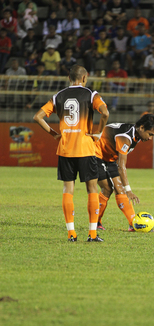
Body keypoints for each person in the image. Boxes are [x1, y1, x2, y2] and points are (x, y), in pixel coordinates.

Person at [33, 64, 109, 242]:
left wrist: (54, 134)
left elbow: (37, 117)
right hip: (85, 148)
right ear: (85, 77)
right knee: (92, 189)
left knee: (68, 189)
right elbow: (105, 113)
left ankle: (71, 233)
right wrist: (99, 132)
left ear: (69, 78)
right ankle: (92, 233)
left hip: (66, 149)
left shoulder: (58, 96)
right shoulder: (91, 94)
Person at [92, 114, 154, 231]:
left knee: (119, 188)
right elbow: (121, 166)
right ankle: (96, 222)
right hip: (94, 154)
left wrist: (126, 189)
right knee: (108, 188)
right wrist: (129, 190)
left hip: (109, 157)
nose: (150, 138)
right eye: (150, 134)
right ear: (142, 128)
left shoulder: (136, 134)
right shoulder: (125, 137)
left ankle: (133, 224)